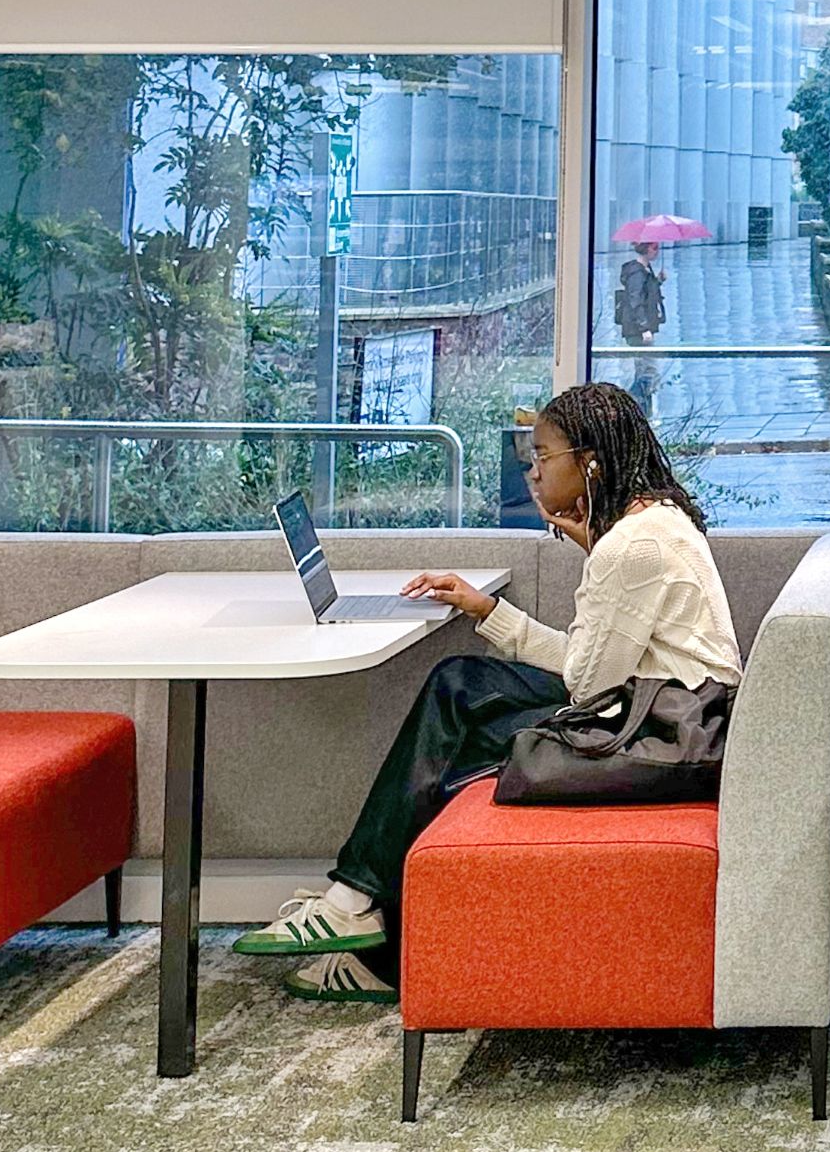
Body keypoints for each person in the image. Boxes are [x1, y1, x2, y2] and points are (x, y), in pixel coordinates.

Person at [236, 382, 743, 1003]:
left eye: (542, 456)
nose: (531, 472)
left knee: (458, 706)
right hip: (662, 714)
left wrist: (589, 557)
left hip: (662, 733)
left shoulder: (629, 546)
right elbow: (590, 666)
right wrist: (486, 609)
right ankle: (365, 919)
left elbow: (586, 681)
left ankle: (358, 910)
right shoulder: (651, 523)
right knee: (461, 687)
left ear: (589, 463)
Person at [616, 240, 668, 405]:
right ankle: (631, 404)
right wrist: (644, 328)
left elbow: (647, 294)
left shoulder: (644, 271)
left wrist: (658, 281)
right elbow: (635, 300)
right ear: (645, 249)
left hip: (640, 328)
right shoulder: (637, 273)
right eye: (654, 248)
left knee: (644, 370)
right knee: (648, 371)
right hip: (638, 330)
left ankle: (641, 409)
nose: (657, 251)